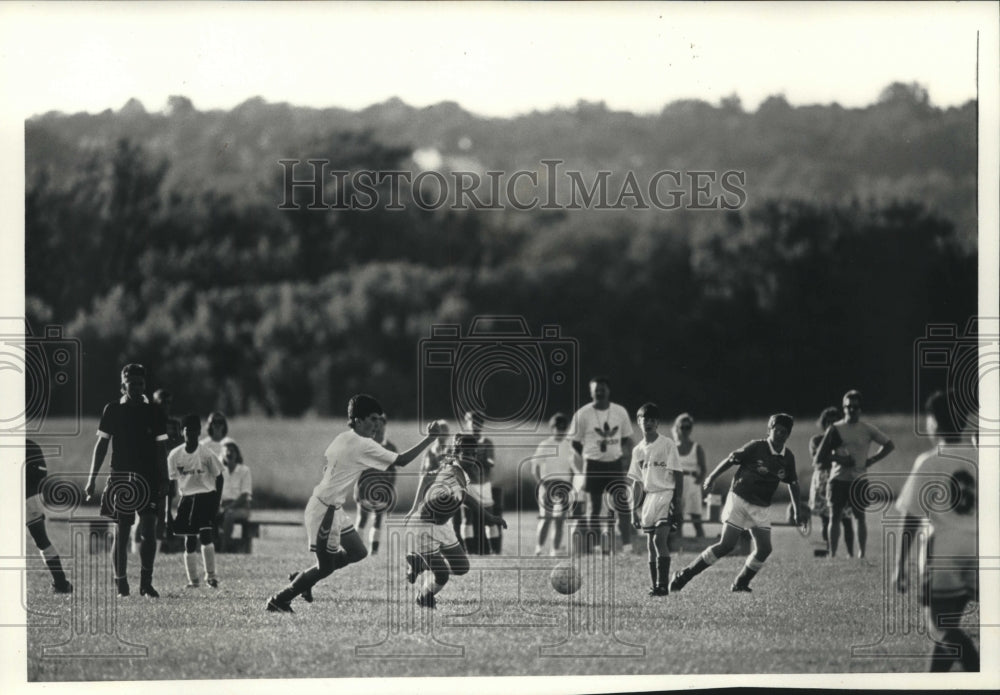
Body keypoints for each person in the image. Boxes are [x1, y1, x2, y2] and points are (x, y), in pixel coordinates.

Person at [265, 394, 446, 613]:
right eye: (372, 419)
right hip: (325, 511)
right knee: (324, 568)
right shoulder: (363, 445)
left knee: (358, 552)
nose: (377, 425)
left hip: (332, 508)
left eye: (379, 420)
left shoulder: (343, 438)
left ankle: (303, 579)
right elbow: (401, 461)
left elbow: (328, 465)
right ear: (358, 420)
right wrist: (430, 439)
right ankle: (279, 599)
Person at [671, 414, 805, 593]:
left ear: (788, 434)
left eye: (784, 432)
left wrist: (797, 511)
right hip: (739, 499)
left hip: (761, 506)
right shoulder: (756, 447)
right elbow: (731, 459)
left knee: (764, 549)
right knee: (727, 544)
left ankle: (740, 582)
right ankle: (684, 575)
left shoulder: (788, 457)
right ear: (769, 430)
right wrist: (712, 477)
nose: (779, 434)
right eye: (776, 430)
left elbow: (793, 484)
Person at [894, 391, 978, 672]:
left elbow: (911, 518)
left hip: (943, 550)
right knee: (948, 627)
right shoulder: (982, 458)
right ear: (964, 421)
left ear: (933, 424)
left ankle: (978, 668)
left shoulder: (929, 461)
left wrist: (899, 566)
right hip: (979, 550)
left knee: (939, 628)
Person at [84, 363, 169, 598]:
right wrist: (91, 479)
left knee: (149, 529)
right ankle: (121, 582)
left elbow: (161, 448)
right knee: (122, 530)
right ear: (123, 385)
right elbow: (101, 446)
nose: (138, 387)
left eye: (141, 383)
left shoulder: (154, 412)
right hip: (122, 477)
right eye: (132, 383)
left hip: (149, 478)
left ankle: (146, 582)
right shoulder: (112, 410)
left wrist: (165, 478)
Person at [404, 434, 507, 608]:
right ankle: (424, 596)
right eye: (466, 452)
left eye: (473, 453)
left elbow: (465, 498)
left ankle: (419, 563)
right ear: (456, 453)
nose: (471, 457)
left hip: (444, 526)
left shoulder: (461, 472)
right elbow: (427, 477)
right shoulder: (452, 472)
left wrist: (490, 517)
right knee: (442, 575)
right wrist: (415, 508)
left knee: (462, 567)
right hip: (424, 528)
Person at [813, 389, 895, 558]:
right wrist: (840, 459)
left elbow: (889, 445)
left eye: (855, 407)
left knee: (860, 517)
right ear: (843, 408)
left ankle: (861, 555)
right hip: (838, 479)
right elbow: (820, 457)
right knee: (834, 517)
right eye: (848, 406)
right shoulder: (835, 429)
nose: (851, 410)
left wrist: (872, 459)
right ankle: (833, 555)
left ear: (860, 409)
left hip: (859, 479)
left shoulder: (867, 429)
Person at [570, 376, 634, 552]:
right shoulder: (582, 414)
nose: (600, 391)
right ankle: (597, 546)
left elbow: (626, 438)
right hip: (593, 465)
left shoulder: (620, 412)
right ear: (591, 392)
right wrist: (590, 454)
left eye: (603, 388)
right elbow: (575, 442)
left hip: (614, 464)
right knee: (594, 507)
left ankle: (627, 546)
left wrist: (613, 453)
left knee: (622, 504)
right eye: (596, 389)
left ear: (608, 390)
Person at [628, 403, 683, 596]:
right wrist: (633, 509)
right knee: (650, 543)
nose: (648, 423)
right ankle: (655, 585)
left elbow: (678, 474)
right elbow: (636, 482)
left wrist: (678, 502)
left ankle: (663, 586)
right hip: (649, 499)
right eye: (645, 419)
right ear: (639, 421)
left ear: (657, 423)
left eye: (652, 420)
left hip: (666, 494)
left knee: (660, 539)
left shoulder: (667, 444)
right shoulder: (638, 450)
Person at [167, 414, 225, 588]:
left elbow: (219, 477)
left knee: (206, 536)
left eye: (194, 431)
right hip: (187, 498)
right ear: (182, 432)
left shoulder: (206, 453)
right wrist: (168, 511)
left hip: (206, 496)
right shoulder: (174, 455)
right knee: (189, 539)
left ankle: (211, 576)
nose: (191, 434)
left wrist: (217, 501)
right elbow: (171, 484)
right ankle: (193, 581)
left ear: (199, 432)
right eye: (187, 430)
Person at [24, 439, 72, 594]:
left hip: (24, 496)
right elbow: (41, 473)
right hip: (31, 497)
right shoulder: (30, 444)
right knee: (42, 540)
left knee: (41, 540)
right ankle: (61, 583)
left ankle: (61, 583)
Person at [531, 413, 582, 556]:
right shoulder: (545, 445)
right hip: (548, 484)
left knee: (560, 519)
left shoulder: (569, 445)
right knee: (546, 518)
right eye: (557, 428)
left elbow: (576, 467)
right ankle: (539, 548)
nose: (560, 431)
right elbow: (535, 467)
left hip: (564, 486)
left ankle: (555, 549)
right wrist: (541, 484)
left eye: (563, 428)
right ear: (552, 428)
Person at [808, 406, 855, 556]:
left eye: (835, 422)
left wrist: (832, 457)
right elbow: (819, 459)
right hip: (823, 481)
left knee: (846, 519)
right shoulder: (816, 440)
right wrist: (839, 458)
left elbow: (851, 460)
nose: (832, 425)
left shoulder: (845, 441)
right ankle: (830, 550)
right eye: (828, 422)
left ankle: (850, 553)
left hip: (842, 478)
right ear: (823, 423)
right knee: (826, 519)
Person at [354, 414, 398, 554]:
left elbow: (393, 470)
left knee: (378, 519)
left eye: (380, 424)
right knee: (362, 517)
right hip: (365, 488)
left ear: (384, 426)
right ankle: (356, 549)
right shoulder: (365, 445)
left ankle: (374, 550)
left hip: (382, 490)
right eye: (375, 424)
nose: (378, 428)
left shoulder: (390, 447)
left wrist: (390, 489)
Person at [460, 410, 501, 555]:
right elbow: (458, 461)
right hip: (468, 484)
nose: (475, 424)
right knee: (468, 518)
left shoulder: (487, 442)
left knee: (489, 518)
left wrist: (474, 458)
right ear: (467, 422)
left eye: (478, 422)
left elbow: (490, 463)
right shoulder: (463, 440)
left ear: (482, 424)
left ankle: (494, 551)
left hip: (484, 485)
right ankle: (469, 551)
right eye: (472, 421)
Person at [672, 413, 706, 538]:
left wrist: (699, 481)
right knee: (678, 517)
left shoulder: (697, 447)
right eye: (682, 427)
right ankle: (678, 545)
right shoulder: (673, 448)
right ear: (677, 428)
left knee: (696, 518)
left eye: (688, 427)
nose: (685, 430)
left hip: (692, 482)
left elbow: (703, 468)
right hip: (677, 483)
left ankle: (701, 544)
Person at [216, 440, 253, 553]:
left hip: (241, 507)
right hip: (224, 506)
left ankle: (224, 548)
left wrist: (229, 507)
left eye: (232, 452)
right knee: (210, 515)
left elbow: (245, 495)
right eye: (227, 453)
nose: (230, 455)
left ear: (237, 454)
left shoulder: (244, 471)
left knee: (229, 515)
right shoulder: (220, 472)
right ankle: (214, 544)